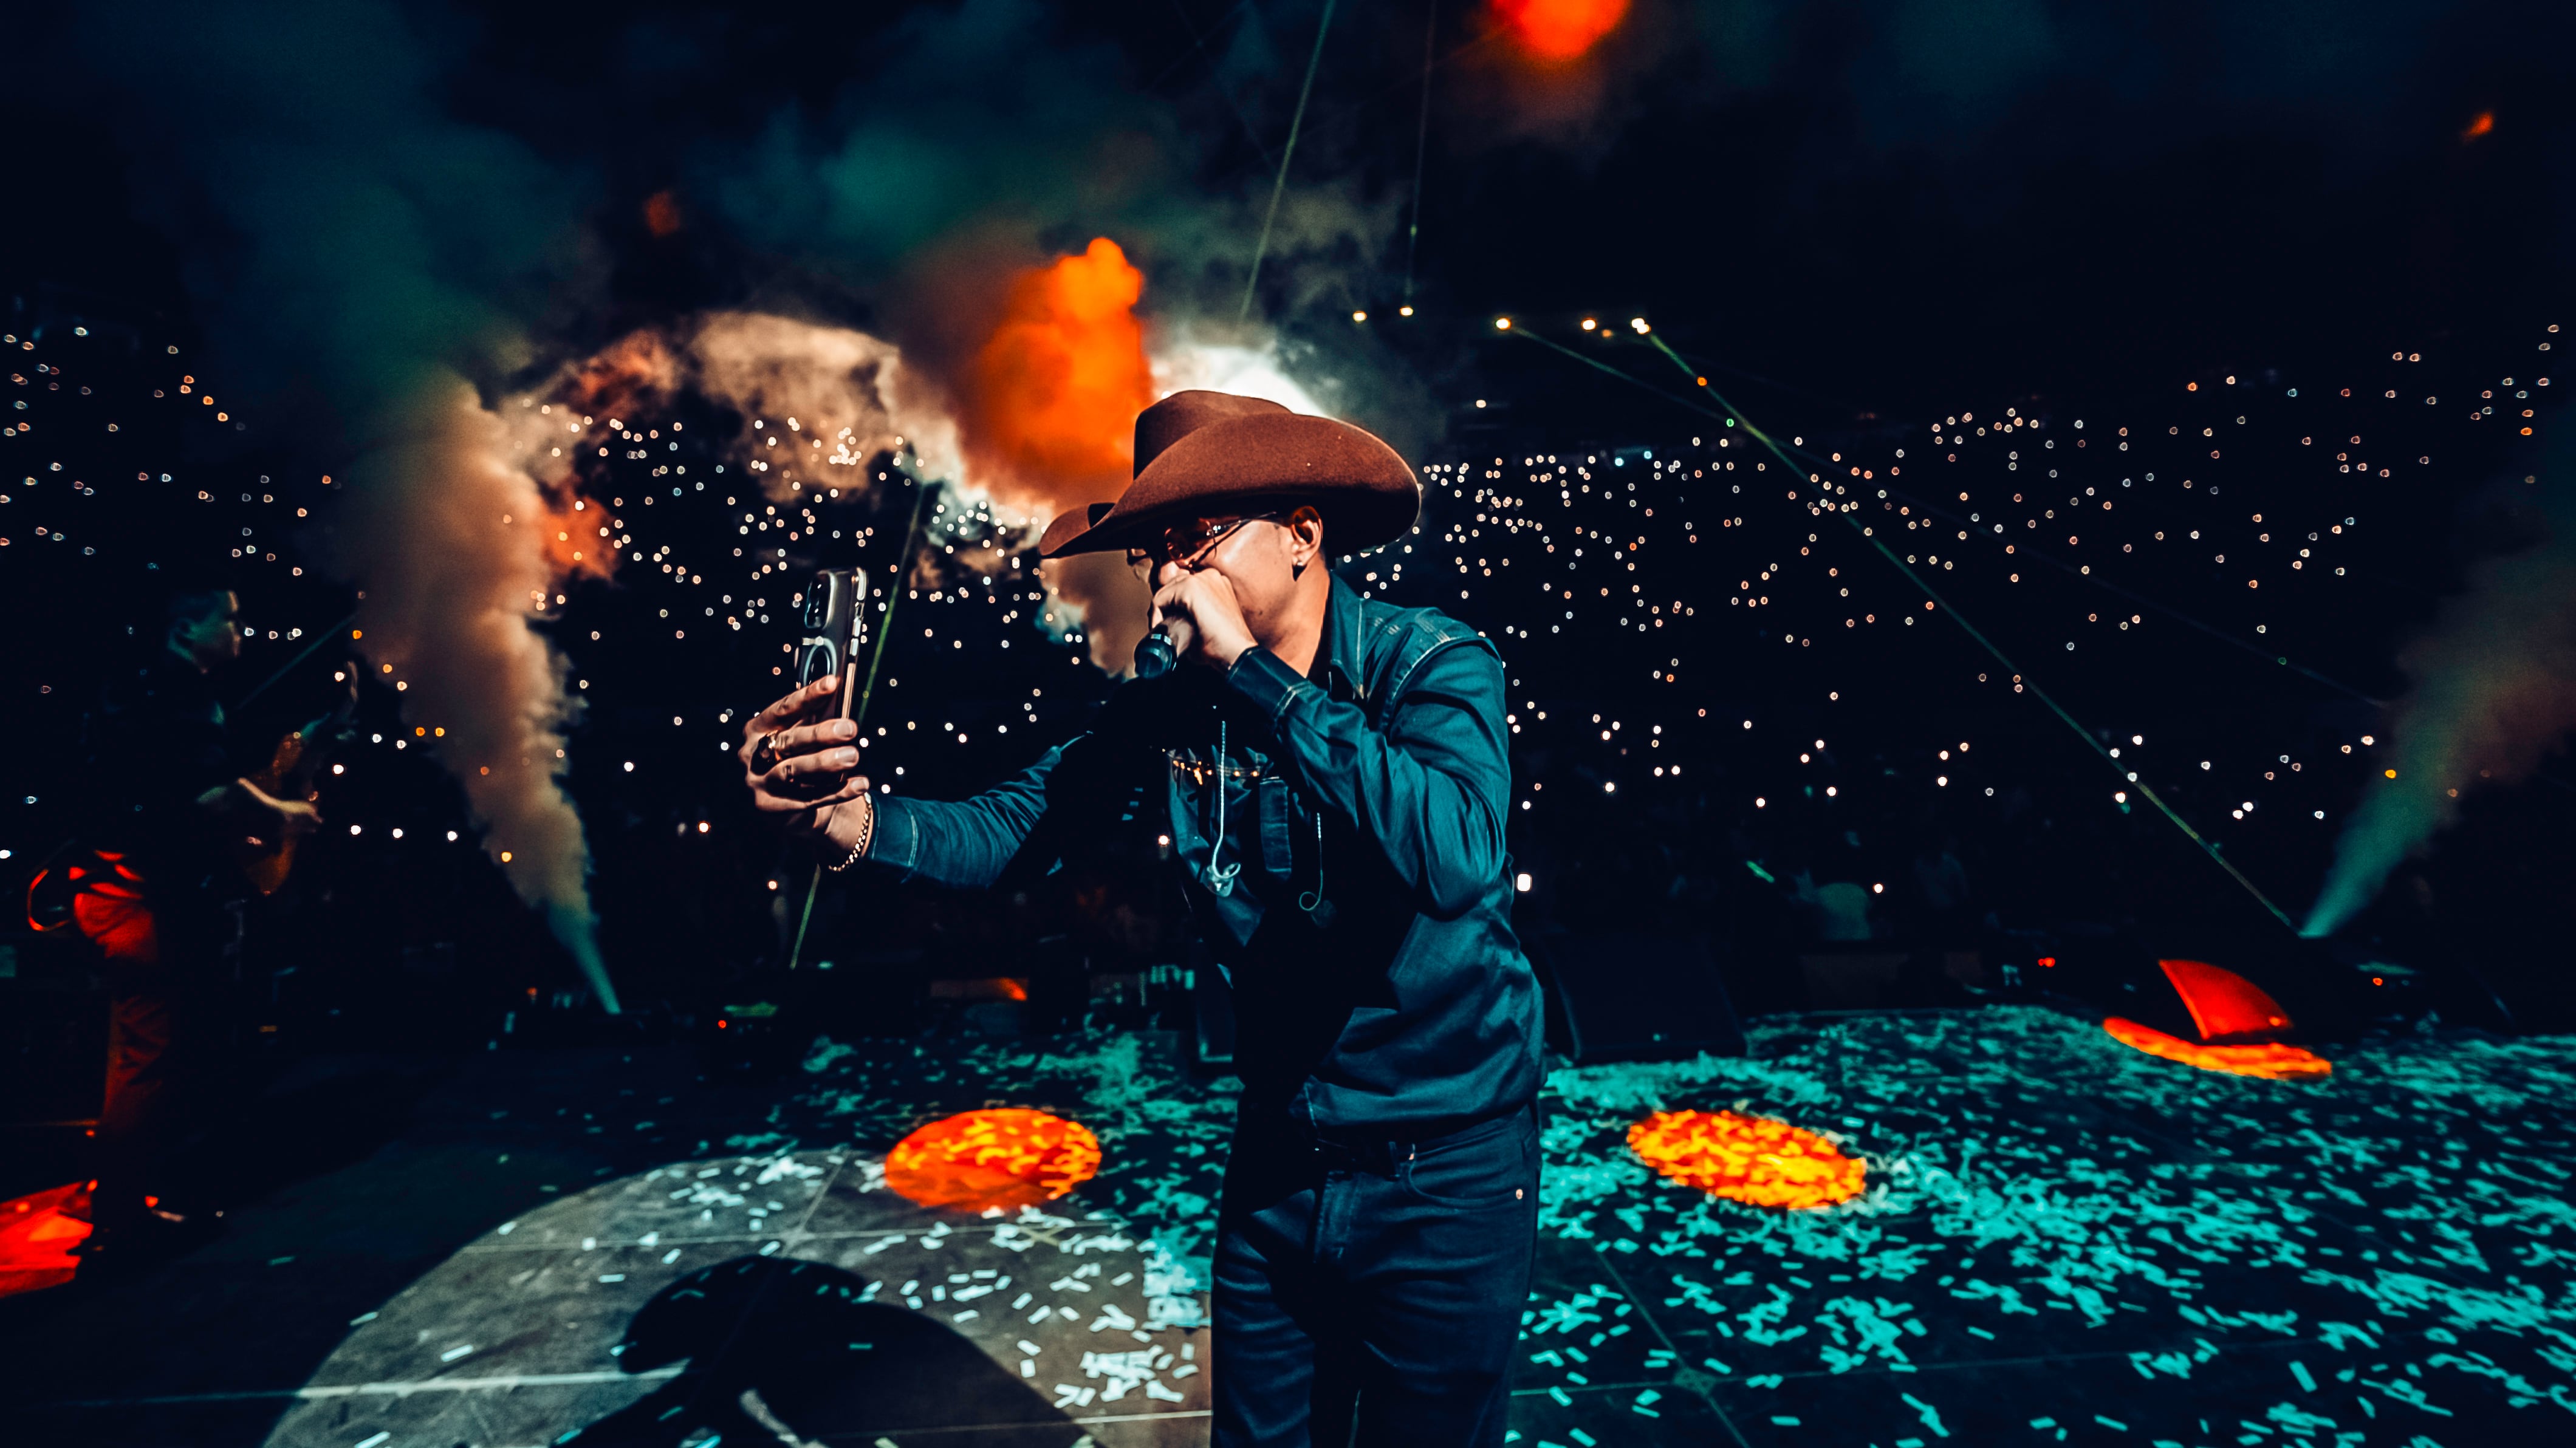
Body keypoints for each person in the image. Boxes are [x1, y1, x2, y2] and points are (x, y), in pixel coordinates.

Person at [741, 391, 1545, 1446]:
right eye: (1153, 552)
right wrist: (851, 826)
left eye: (1194, 540)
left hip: (1445, 1170)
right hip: (1284, 1155)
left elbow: (1457, 856)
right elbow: (1022, 824)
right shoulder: (1176, 704)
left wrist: (1256, 678)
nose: (1169, 578)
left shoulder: (1429, 663)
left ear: (1303, 533)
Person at [72, 586, 321, 1265]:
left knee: (140, 1053)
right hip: (138, 898)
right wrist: (285, 813)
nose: (241, 630)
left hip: (110, 890)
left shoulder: (138, 689)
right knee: (149, 1058)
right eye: (229, 619)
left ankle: (124, 1198)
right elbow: (209, 798)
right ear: (186, 629)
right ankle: (120, 1222)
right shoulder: (183, 695)